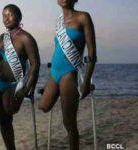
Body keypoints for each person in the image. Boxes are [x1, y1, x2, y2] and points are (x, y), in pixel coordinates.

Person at [38, 0, 97, 149]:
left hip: (69, 72)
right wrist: (48, 82)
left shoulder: (83, 17)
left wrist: (87, 81)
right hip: (54, 72)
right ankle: (63, 95)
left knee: (69, 123)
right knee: (43, 106)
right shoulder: (59, 22)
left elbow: (91, 51)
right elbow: (58, 49)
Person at [0, 4, 40, 150]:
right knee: (3, 122)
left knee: (10, 109)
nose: (6, 18)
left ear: (19, 17)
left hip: (14, 84)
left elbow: (35, 66)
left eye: (10, 14)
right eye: (3, 15)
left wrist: (27, 89)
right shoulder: (2, 37)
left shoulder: (26, 38)